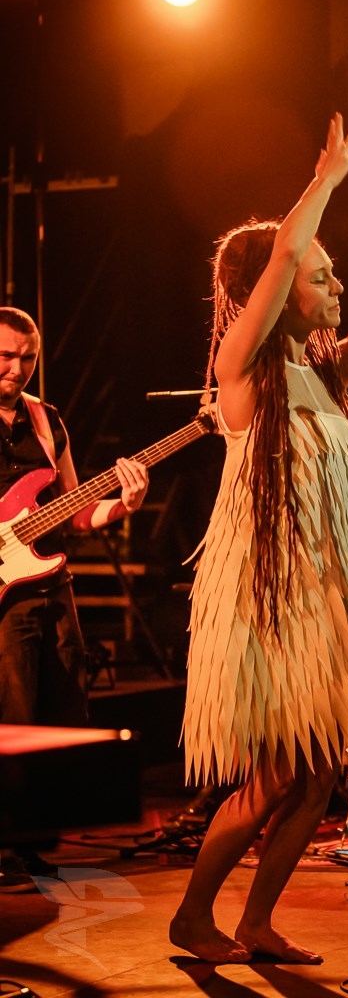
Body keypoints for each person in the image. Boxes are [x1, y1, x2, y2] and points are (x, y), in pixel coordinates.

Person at [169, 113, 348, 964]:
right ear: (278, 291)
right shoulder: (241, 372)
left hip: (326, 600)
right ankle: (192, 915)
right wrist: (324, 179)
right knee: (276, 775)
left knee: (319, 775)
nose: (336, 285)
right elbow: (283, 251)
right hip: (270, 600)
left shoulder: (325, 374)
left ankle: (255, 922)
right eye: (322, 277)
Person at [0, 306, 149, 890]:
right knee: (16, 718)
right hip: (8, 599)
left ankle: (35, 846)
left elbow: (74, 508)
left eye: (27, 358)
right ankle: (8, 849)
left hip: (53, 584)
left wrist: (123, 506)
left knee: (65, 712)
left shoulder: (47, 419)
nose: (17, 368)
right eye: (5, 356)